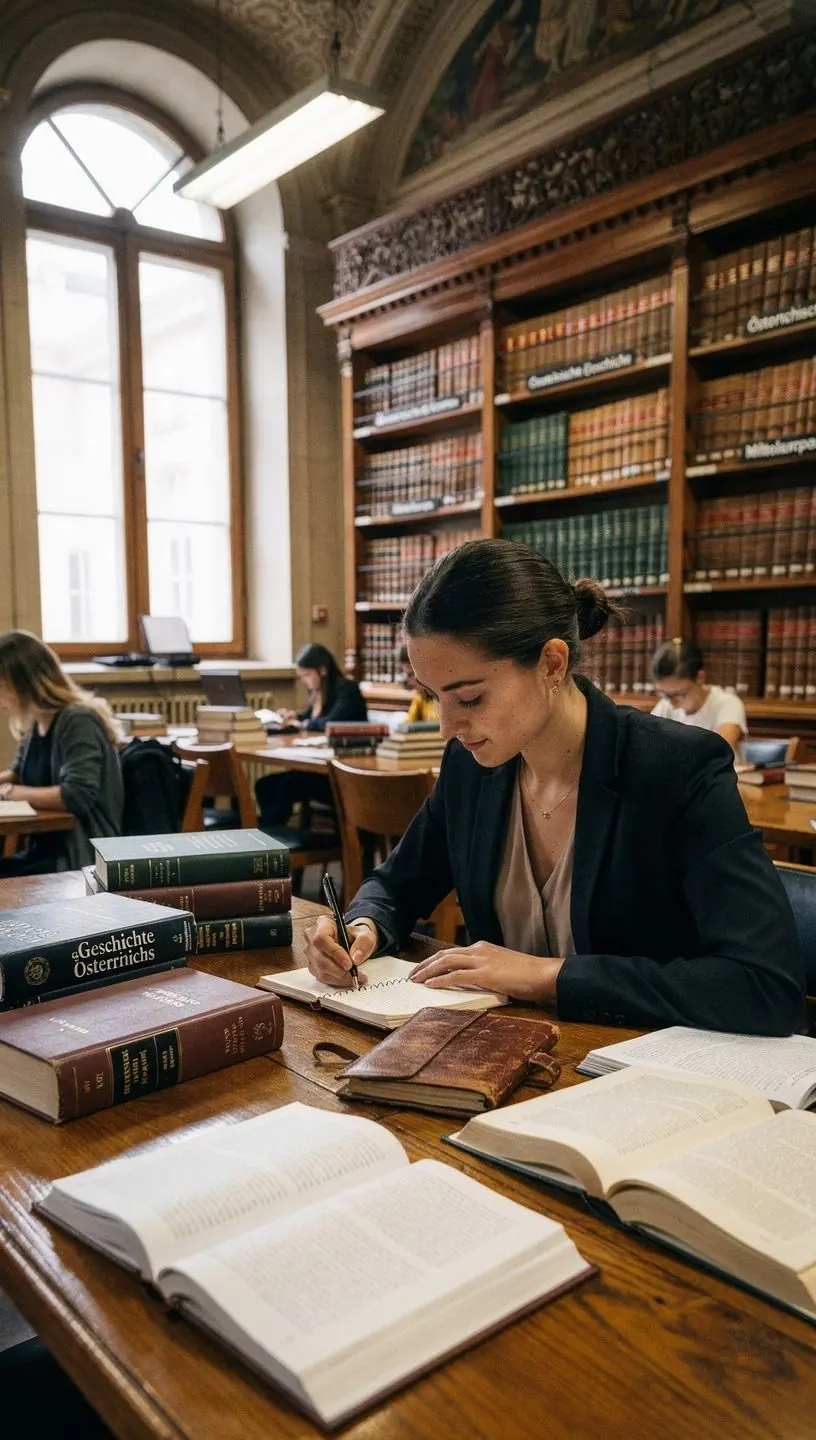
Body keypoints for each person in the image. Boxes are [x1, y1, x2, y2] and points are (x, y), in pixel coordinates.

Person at [305, 540, 803, 1035]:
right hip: (506, 1057)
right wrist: (362, 928)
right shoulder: (471, 764)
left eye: (471, 698)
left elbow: (763, 986)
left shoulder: (678, 768)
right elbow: (396, 883)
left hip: (643, 1075)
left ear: (551, 663)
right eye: (433, 697)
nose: (447, 725)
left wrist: (550, 976)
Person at [0, 630, 124, 874]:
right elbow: (17, 773)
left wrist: (10, 793)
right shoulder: (36, 721)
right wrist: (7, 785)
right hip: (45, 851)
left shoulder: (78, 721)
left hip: (79, 858)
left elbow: (76, 795)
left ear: (23, 684)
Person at [256, 644, 366, 830]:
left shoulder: (347, 691)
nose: (304, 681)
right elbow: (309, 718)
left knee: (288, 785)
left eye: (307, 675)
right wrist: (294, 717)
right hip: (319, 768)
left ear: (322, 670)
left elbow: (329, 723)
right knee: (264, 785)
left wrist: (302, 723)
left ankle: (269, 841)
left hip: (344, 775)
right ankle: (274, 838)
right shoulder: (318, 695)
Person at [650, 637, 747, 757]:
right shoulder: (665, 705)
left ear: (699, 678)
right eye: (664, 694)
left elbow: (719, 752)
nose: (672, 703)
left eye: (680, 694)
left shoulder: (728, 704)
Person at [398, 643, 439, 725]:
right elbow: (407, 726)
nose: (409, 681)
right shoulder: (420, 697)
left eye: (410, 674)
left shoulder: (443, 700)